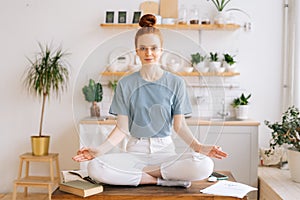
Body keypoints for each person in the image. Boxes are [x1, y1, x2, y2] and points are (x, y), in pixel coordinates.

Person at [73, 14, 228, 188]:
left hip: (165, 153)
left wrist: (199, 147)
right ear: (137, 51)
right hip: (134, 153)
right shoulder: (126, 83)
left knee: (205, 165)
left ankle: (141, 176)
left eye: (154, 48)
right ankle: (161, 180)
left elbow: (180, 126)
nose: (149, 53)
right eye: (143, 48)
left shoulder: (176, 83)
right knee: (95, 167)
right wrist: (99, 150)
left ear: (162, 50)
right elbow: (122, 128)